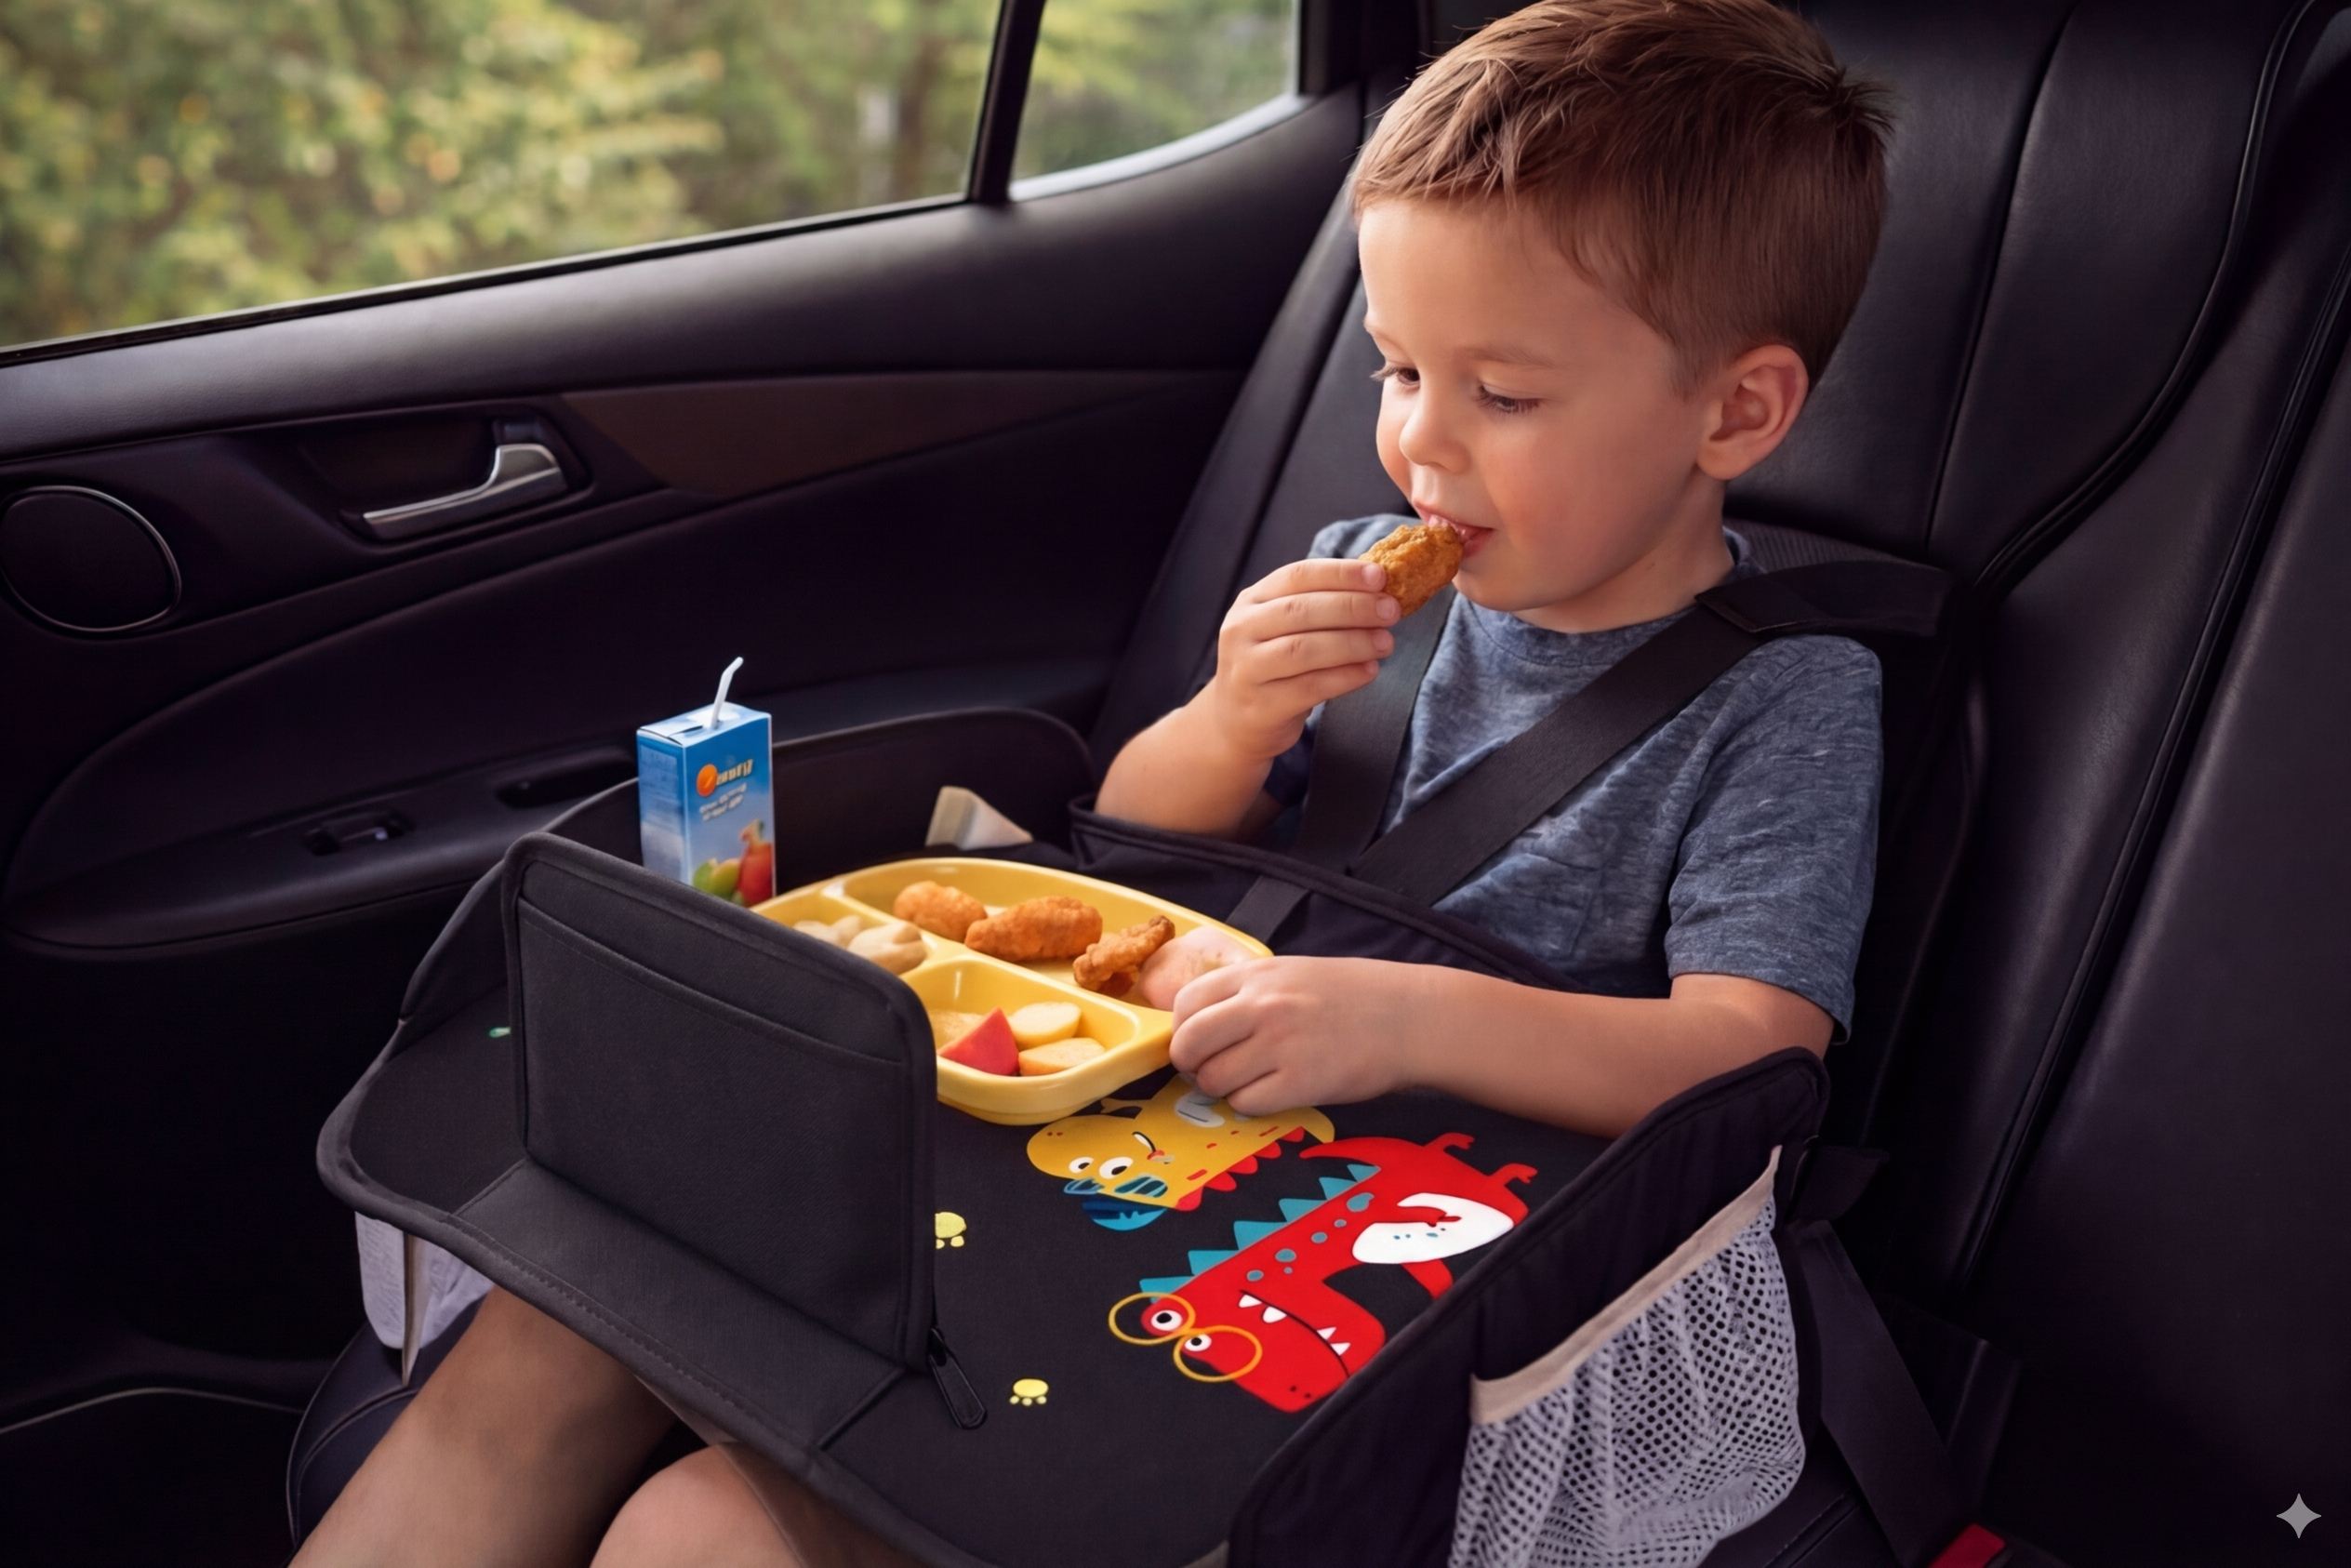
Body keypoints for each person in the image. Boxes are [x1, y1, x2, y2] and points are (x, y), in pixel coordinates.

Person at [295, 2, 1892, 1561]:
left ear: (1734, 410)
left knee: (694, 1527)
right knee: (550, 1321)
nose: (1423, 446)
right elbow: (1138, 841)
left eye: (1505, 395)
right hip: (1152, 1115)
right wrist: (1233, 713)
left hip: (1397, 1215)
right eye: (1399, 370)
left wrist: (1403, 1019)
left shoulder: (1786, 696)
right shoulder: (1358, 572)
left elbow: (1752, 1052)